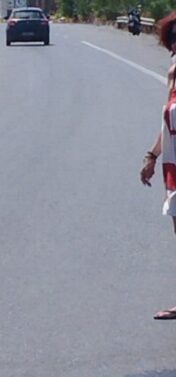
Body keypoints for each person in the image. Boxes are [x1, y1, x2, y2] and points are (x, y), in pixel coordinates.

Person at [140, 11, 176, 320]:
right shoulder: (172, 78)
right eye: (173, 38)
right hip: (173, 170)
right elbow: (166, 126)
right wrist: (151, 158)